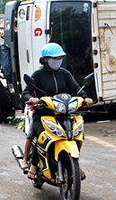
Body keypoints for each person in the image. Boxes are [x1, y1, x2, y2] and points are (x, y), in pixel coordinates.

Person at [20, 42, 93, 180]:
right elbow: (26, 93)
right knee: (42, 136)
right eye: (55, 58)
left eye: (60, 58)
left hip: (63, 113)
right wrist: (33, 99)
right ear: (46, 59)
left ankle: (73, 162)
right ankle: (34, 166)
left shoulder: (64, 74)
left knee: (74, 134)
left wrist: (85, 98)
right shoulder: (38, 75)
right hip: (43, 114)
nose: (58, 61)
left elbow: (76, 89)